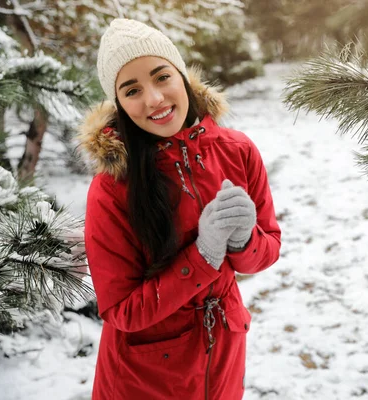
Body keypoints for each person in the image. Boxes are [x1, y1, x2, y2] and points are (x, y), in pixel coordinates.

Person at [78, 18, 281, 400]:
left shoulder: (237, 151)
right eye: (132, 89)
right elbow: (122, 311)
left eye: (161, 77)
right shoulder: (112, 188)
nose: (154, 98)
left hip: (221, 358)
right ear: (119, 103)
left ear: (182, 76)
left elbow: (266, 252)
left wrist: (242, 239)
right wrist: (203, 255)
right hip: (144, 379)